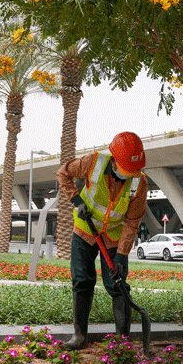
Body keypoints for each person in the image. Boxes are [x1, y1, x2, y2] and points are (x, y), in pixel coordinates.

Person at [56, 131, 148, 350]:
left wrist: (122, 255)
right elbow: (63, 173)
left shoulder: (139, 183)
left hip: (114, 238)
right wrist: (76, 199)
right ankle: (79, 336)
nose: (130, 175)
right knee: (82, 280)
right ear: (114, 160)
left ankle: (122, 343)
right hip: (84, 232)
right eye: (126, 169)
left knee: (118, 285)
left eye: (133, 171)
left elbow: (132, 222)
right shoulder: (93, 162)